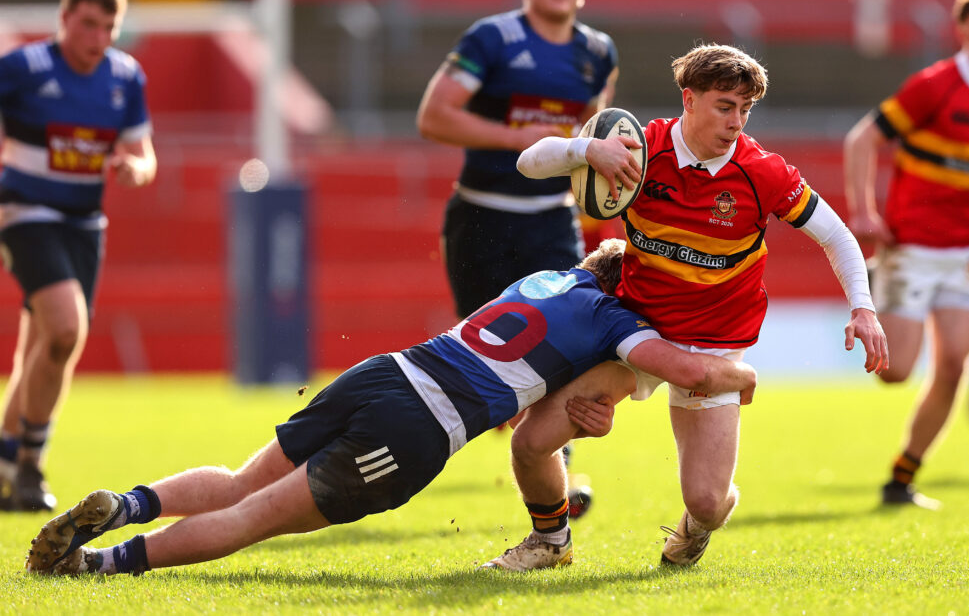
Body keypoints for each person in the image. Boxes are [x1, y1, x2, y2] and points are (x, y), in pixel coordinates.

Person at [24, 239, 757, 577]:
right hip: (417, 424)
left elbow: (538, 372)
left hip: (387, 369)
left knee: (243, 478)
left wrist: (581, 405)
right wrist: (738, 369)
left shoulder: (545, 277)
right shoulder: (616, 322)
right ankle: (101, 564)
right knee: (255, 518)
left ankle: (127, 502)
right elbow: (684, 366)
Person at [486, 43, 889, 571]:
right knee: (532, 441)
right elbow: (528, 162)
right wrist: (586, 152)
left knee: (706, 503)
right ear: (689, 99)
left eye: (746, 109)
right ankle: (549, 542)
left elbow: (836, 237)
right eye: (725, 106)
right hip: (633, 330)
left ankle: (698, 527)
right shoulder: (639, 146)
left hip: (716, 345)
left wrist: (863, 308)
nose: (737, 121)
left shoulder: (761, 172)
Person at [415, 0, 618, 516]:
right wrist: (515, 137)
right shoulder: (494, 38)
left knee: (565, 347)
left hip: (551, 221)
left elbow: (595, 133)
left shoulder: (597, 50)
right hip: (480, 217)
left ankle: (564, 478)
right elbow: (434, 117)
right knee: (490, 354)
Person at [0, 0, 156, 511]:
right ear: (64, 18)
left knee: (43, 348)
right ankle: (30, 468)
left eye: (108, 28)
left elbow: (144, 153)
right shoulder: (23, 67)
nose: (97, 40)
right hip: (24, 213)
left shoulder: (125, 76)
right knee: (66, 330)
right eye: (87, 25)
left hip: (85, 225)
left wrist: (136, 169)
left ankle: (4, 461)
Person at [843, 0, 969, 510]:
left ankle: (902, 477)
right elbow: (861, 139)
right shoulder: (935, 85)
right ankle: (876, 281)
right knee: (895, 372)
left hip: (962, 255)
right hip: (913, 245)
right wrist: (864, 211)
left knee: (955, 361)